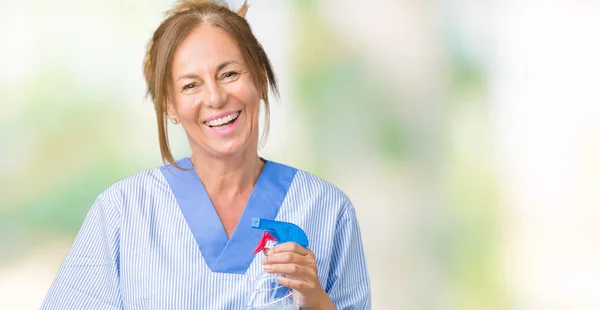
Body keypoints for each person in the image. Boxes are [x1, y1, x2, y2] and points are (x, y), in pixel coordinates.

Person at [41, 1, 371, 309]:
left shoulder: (327, 208)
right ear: (168, 104)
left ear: (257, 76)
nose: (215, 97)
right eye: (190, 85)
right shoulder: (123, 211)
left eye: (229, 74)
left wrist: (313, 297)